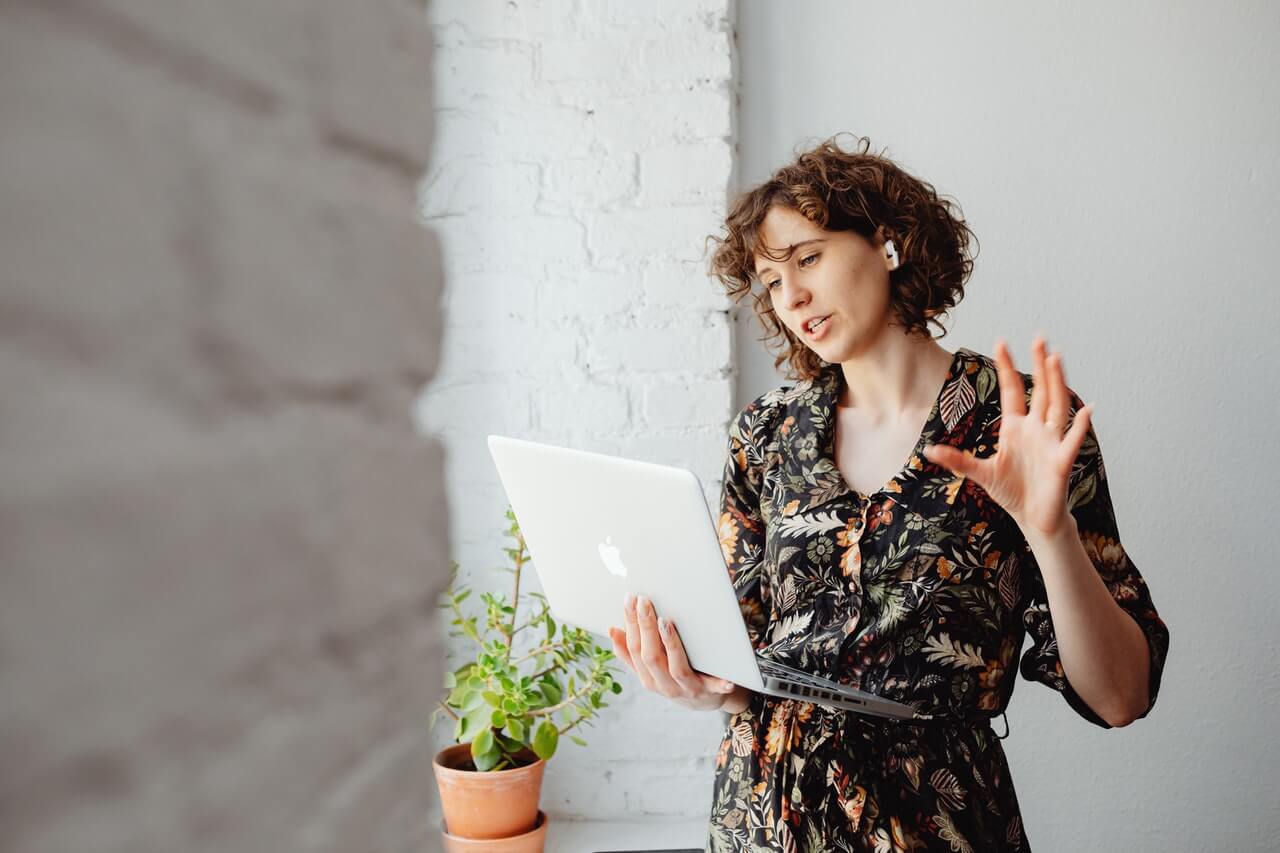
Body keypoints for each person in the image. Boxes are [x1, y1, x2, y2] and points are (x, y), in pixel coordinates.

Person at [606, 133, 1170, 852]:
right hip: (763, 815)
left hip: (937, 823)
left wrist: (1049, 529)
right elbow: (744, 662)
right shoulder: (766, 433)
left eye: (807, 257)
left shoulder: (1018, 422)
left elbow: (1121, 696)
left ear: (889, 242)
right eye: (772, 282)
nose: (793, 296)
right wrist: (700, 683)